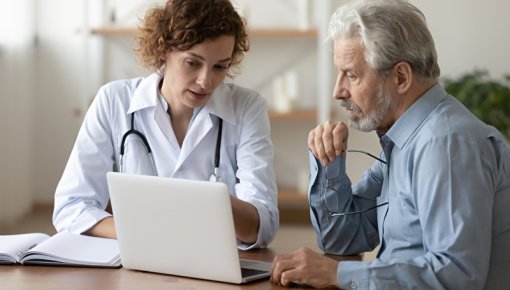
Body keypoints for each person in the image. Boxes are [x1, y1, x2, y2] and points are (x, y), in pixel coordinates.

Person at [271, 0, 510, 289]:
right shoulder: (404, 140)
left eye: (352, 74)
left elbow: (457, 275)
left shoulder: (445, 144)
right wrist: (329, 165)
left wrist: (336, 275)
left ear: (400, 77)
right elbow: (344, 238)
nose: (337, 91)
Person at [53, 0, 278, 250]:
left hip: (211, 264)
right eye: (193, 63)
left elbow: (263, 224)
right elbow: (71, 207)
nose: (206, 81)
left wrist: (211, 201)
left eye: (220, 67)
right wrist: (143, 232)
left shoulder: (248, 108)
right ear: (163, 49)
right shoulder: (113, 101)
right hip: (136, 259)